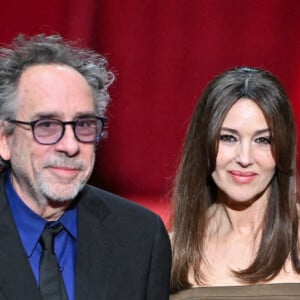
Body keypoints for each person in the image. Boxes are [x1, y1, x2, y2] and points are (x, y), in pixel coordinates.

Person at [0, 33, 171, 300]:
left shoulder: (141, 236)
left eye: (83, 125)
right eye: (46, 125)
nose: (70, 145)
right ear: (4, 140)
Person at [169, 67, 300, 299]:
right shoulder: (171, 249)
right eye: (228, 138)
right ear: (204, 144)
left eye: (263, 140)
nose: (245, 159)